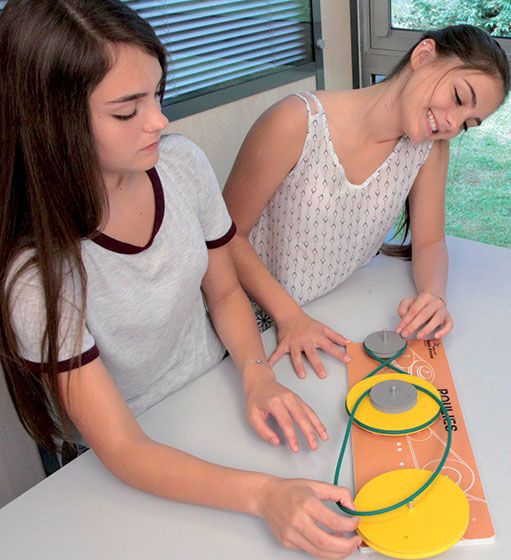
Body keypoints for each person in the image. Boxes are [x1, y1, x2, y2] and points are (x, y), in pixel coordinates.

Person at [0, 1, 361, 557]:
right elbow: (123, 448)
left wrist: (256, 374)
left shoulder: (180, 164)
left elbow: (224, 291)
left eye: (157, 94)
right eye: (127, 111)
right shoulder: (36, 278)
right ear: (52, 124)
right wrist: (264, 495)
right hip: (123, 456)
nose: (159, 121)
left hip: (209, 390)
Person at [223, 24, 511, 380]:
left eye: (468, 124)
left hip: (327, 311)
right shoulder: (294, 121)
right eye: (457, 96)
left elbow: (429, 241)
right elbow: (226, 237)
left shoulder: (429, 148)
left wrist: (434, 297)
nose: (452, 123)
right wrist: (290, 317)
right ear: (423, 56)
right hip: (243, 320)